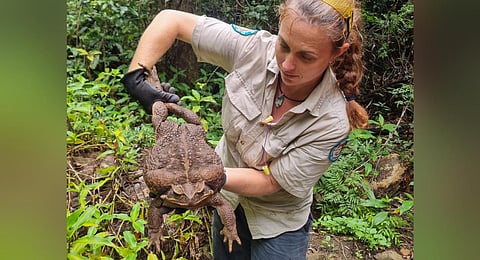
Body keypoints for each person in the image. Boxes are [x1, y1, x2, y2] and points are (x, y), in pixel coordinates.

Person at [121, 0, 369, 259]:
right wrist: (137, 78)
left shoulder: (333, 120)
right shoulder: (254, 49)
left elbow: (272, 181)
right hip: (227, 200)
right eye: (283, 45)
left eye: (306, 56)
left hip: (277, 221)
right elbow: (171, 20)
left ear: (337, 53)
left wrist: (197, 179)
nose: (286, 65)